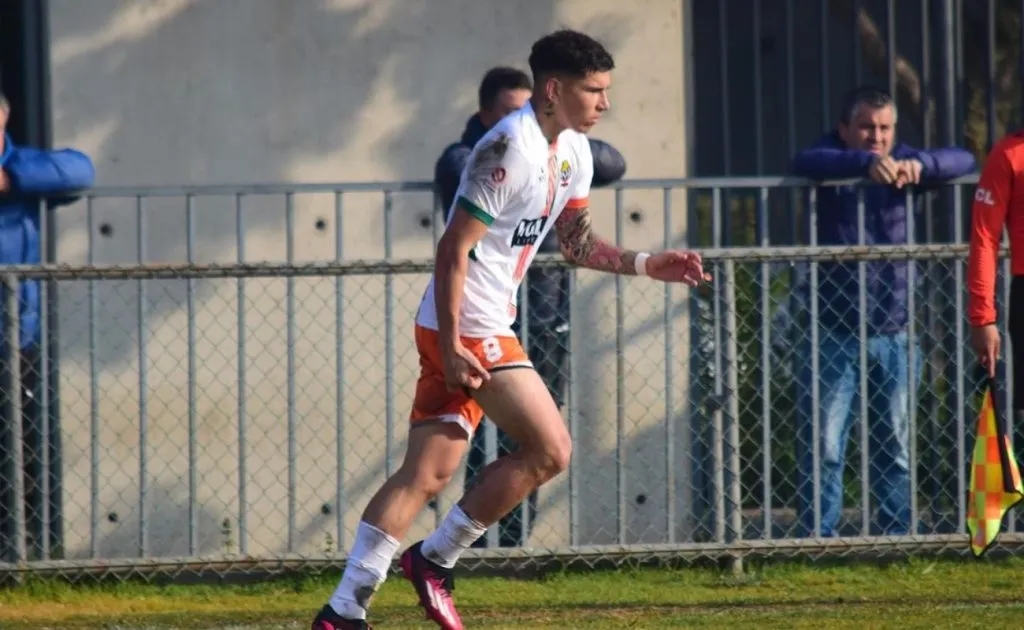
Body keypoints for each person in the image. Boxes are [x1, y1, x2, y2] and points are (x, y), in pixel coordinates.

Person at [312, 29, 708, 630]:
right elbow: (453, 252)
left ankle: (344, 609)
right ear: (554, 90)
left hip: (472, 323)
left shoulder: (572, 150)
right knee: (551, 448)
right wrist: (450, 345)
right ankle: (435, 559)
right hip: (468, 324)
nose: (605, 102)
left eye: (606, 90)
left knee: (427, 473)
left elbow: (575, 243)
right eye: (593, 90)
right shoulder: (506, 149)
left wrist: (647, 264)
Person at [433, 66, 627, 549]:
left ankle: (503, 543)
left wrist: (563, 134)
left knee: (539, 444)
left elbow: (613, 165)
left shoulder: (561, 146)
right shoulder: (485, 151)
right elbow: (458, 236)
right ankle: (458, 550)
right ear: (484, 116)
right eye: (513, 110)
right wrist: (450, 341)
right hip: (478, 321)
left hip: (538, 316)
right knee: (451, 459)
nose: (526, 117)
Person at [789, 85, 975, 538]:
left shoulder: (904, 158)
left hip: (896, 329)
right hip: (834, 329)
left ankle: (897, 533)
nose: (877, 137)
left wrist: (921, 166)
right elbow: (805, 161)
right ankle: (818, 537)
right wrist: (863, 166)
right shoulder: (834, 156)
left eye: (885, 128)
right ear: (845, 129)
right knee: (826, 443)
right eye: (867, 127)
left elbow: (964, 160)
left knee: (894, 442)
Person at [0, 91, 95, 562]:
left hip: (14, 338)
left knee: (17, 451)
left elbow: (80, 171)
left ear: (4, 118)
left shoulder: (22, 166)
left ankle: (19, 554)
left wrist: (9, 179)